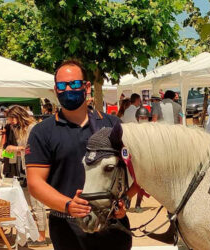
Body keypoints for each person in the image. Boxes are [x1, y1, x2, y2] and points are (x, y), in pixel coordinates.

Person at [25, 60, 134, 250]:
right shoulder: (42, 132)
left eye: (74, 84)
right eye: (62, 85)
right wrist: (68, 205)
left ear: (87, 86)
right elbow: (35, 183)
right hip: (67, 228)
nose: (68, 89)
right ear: (55, 90)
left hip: (112, 228)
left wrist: (124, 200)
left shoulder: (113, 126)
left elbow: (135, 171)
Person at [4, 105, 48, 246]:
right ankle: (38, 233)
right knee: (31, 202)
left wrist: (15, 148)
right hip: (26, 168)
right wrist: (10, 152)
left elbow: (32, 149)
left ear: (18, 116)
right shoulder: (21, 130)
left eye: (12, 118)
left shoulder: (32, 128)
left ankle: (42, 236)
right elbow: (23, 151)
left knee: (37, 202)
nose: (10, 122)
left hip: (36, 168)